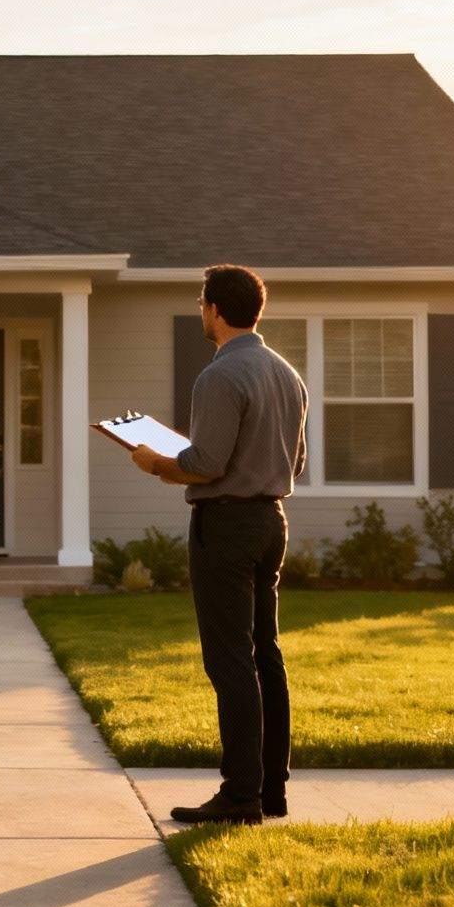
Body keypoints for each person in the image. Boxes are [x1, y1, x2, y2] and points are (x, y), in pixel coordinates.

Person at [130, 264, 308, 824]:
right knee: (265, 655)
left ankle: (239, 796)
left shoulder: (218, 377)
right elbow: (295, 460)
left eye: (201, 303)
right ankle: (270, 790)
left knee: (230, 662)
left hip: (226, 528)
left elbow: (205, 465)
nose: (199, 312)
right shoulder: (286, 374)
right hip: (271, 521)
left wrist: (155, 461)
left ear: (213, 309)